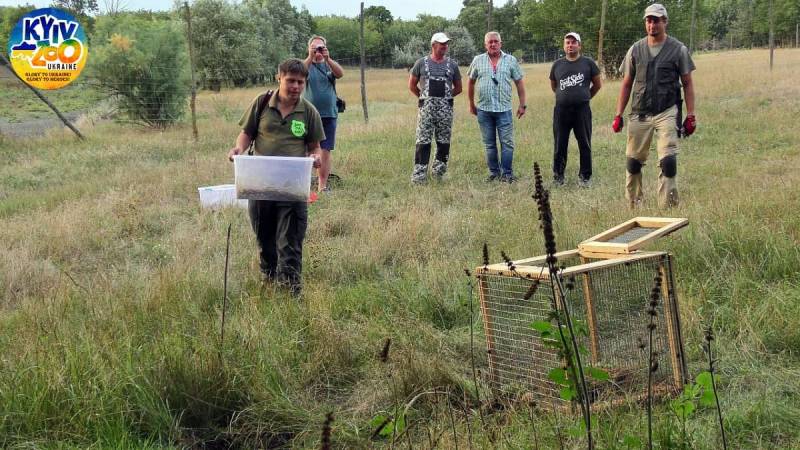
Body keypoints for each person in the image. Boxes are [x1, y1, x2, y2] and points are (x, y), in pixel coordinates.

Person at [228, 59, 324, 296]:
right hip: (260, 184)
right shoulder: (261, 103)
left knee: (290, 240)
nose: (295, 86)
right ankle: (269, 278)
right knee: (265, 237)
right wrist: (238, 149)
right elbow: (246, 134)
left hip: (293, 187)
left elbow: (315, 146)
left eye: (300, 82)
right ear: (279, 78)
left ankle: (290, 289)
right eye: (290, 80)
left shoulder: (308, 111)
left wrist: (316, 156)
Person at [612, 3, 696, 208]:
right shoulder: (635, 49)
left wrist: (691, 115)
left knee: (668, 161)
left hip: (667, 111)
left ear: (665, 22)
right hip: (640, 113)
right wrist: (618, 114)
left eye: (656, 20)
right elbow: (626, 84)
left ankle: (668, 209)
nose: (652, 25)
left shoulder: (678, 50)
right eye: (649, 20)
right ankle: (635, 205)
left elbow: (687, 83)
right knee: (633, 163)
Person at [468, 31, 527, 183]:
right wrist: (471, 104)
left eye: (495, 41)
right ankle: (494, 173)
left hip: (504, 110)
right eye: (490, 42)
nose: (493, 44)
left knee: (507, 143)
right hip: (484, 110)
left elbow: (519, 82)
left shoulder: (511, 60)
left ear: (500, 43)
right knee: (489, 144)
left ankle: (507, 174)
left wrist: (522, 104)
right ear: (485, 44)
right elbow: (471, 82)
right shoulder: (478, 60)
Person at [549, 32, 602, 188]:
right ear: (564, 46)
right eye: (567, 42)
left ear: (579, 45)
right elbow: (554, 86)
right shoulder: (557, 65)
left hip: (582, 110)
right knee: (560, 144)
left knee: (584, 143)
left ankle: (585, 177)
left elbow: (597, 85)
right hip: (561, 111)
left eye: (573, 42)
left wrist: (584, 97)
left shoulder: (588, 63)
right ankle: (558, 177)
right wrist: (565, 97)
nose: (570, 45)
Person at [408, 32, 463, 184]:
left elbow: (458, 88)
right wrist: (424, 98)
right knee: (423, 142)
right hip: (426, 111)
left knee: (444, 142)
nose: (445, 46)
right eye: (442, 44)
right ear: (433, 45)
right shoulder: (421, 63)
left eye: (446, 44)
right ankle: (419, 177)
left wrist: (446, 97)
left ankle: (439, 174)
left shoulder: (452, 65)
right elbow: (412, 85)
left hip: (445, 112)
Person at [303, 35, 344, 193]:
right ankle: (303, 185)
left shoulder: (329, 65)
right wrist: (310, 56)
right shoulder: (305, 65)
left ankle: (322, 186)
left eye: (321, 47)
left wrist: (328, 59)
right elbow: (299, 72)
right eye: (315, 47)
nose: (318, 51)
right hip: (308, 115)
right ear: (309, 48)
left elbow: (340, 74)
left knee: (325, 151)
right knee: (306, 150)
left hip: (329, 114)